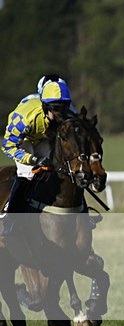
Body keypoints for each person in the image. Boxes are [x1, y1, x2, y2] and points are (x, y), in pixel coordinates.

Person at [1, 79, 74, 226]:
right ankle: (11, 213)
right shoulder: (25, 119)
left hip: (43, 138)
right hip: (24, 140)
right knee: (28, 173)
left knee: (57, 170)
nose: (61, 115)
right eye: (57, 109)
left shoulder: (64, 116)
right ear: (46, 107)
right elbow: (8, 146)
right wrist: (33, 160)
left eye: (64, 108)